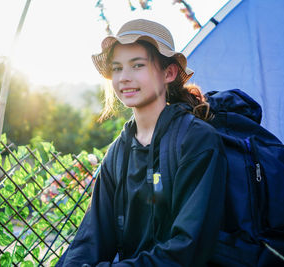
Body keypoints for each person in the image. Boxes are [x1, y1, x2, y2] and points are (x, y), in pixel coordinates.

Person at [57, 19, 227, 267]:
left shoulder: (196, 141)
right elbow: (91, 239)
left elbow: (188, 248)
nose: (124, 78)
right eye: (116, 68)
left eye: (137, 65)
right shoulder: (118, 152)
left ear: (168, 73)